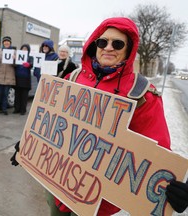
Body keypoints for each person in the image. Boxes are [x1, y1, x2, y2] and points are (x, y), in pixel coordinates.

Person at [11, 17, 188, 215]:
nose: (108, 48)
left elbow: (157, 153)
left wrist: (172, 189)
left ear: (128, 50)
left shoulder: (143, 95)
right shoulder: (73, 78)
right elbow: (49, 121)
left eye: (118, 43)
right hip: (57, 188)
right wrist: (28, 145)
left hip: (97, 203)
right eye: (103, 42)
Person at [0, 36, 16, 116]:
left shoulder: (14, 52)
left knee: (5, 94)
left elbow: (16, 65)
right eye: (5, 41)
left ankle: (4, 109)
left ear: (10, 43)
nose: (6, 43)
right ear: (3, 43)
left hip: (8, 77)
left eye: (8, 41)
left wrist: (15, 59)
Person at [13, 44, 33, 115]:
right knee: (17, 95)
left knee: (24, 96)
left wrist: (29, 64)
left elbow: (32, 64)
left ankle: (23, 110)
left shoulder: (30, 57)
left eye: (26, 49)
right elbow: (14, 66)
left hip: (26, 79)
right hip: (18, 78)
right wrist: (14, 59)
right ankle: (16, 108)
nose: (24, 50)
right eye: (23, 48)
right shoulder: (17, 56)